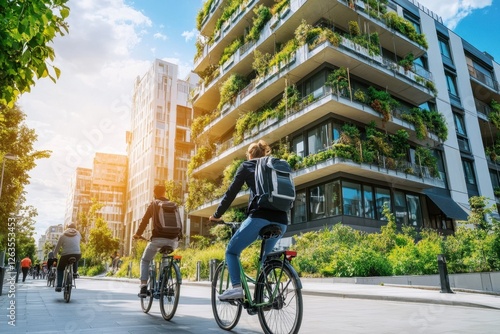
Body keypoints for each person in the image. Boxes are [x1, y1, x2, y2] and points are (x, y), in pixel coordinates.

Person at [209, 140, 288, 300]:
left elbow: (230, 194)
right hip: (282, 221)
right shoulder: (274, 167)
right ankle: (266, 295)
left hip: (259, 218)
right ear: (264, 153)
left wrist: (217, 215)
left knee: (231, 251)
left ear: (249, 155)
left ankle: (237, 288)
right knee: (266, 258)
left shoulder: (247, 166)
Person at [133, 184, 180, 298]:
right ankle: (164, 285)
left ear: (154, 194)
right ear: (165, 192)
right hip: (174, 240)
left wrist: (137, 234)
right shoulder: (174, 205)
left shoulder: (153, 204)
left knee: (145, 260)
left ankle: (143, 287)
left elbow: (144, 221)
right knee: (165, 258)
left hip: (158, 239)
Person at [53, 222, 82, 292]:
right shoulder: (78, 233)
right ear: (75, 228)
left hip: (65, 255)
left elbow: (57, 248)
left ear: (67, 228)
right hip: (77, 254)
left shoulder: (63, 235)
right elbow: (78, 241)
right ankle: (75, 272)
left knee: (60, 269)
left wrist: (55, 256)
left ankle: (59, 286)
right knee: (76, 258)